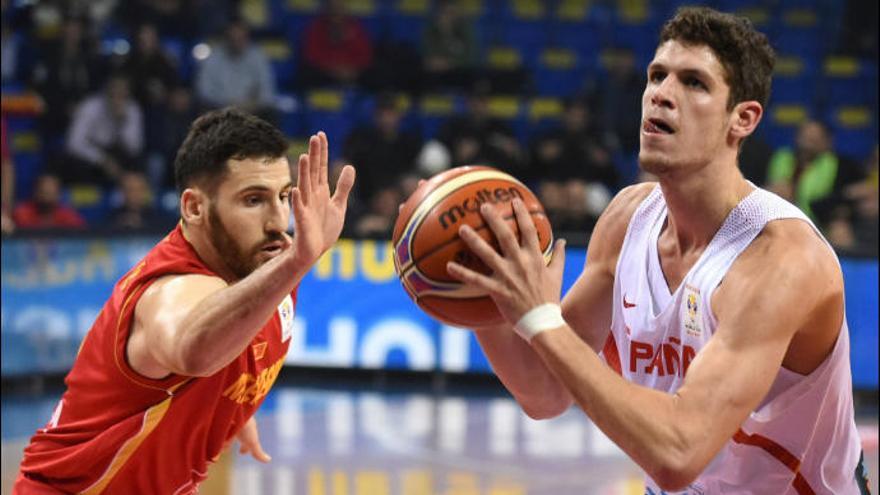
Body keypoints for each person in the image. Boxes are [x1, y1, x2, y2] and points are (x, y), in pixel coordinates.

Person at [444, 7, 867, 493]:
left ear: (743, 119)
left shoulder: (783, 259)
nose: (662, 95)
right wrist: (479, 295)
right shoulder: (628, 221)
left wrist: (541, 320)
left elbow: (678, 452)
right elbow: (545, 392)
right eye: (657, 76)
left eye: (694, 83)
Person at [14, 109, 356, 493]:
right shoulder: (168, 290)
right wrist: (297, 262)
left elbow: (222, 353)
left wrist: (230, 412)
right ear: (194, 208)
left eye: (282, 196)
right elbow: (194, 351)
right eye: (253, 200)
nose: (278, 219)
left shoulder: (264, 264)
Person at [12, 173, 86, 230]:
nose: (46, 198)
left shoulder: (69, 216)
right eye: (42, 192)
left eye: (49, 193)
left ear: (58, 194)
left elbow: (81, 238)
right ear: (35, 193)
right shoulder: (22, 214)